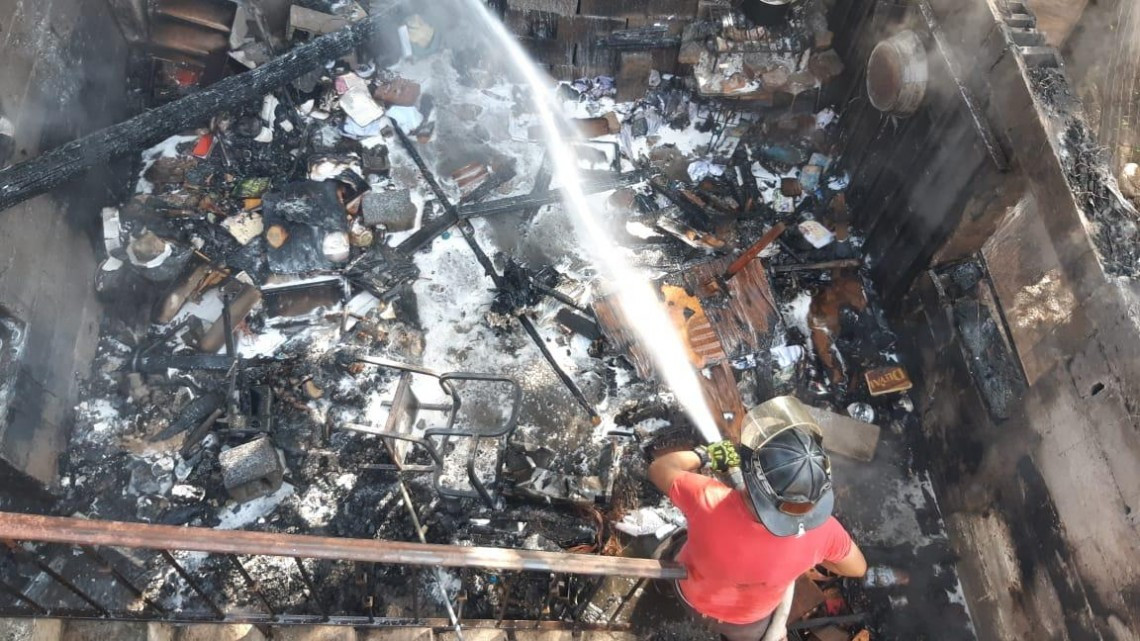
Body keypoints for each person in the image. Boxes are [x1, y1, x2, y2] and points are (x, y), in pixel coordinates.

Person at [648, 427, 867, 641]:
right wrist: (805, 557)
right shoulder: (823, 531)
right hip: (747, 624)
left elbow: (659, 468)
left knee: (671, 547)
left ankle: (662, 587)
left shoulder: (708, 499)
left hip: (690, 593)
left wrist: (704, 455)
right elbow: (858, 568)